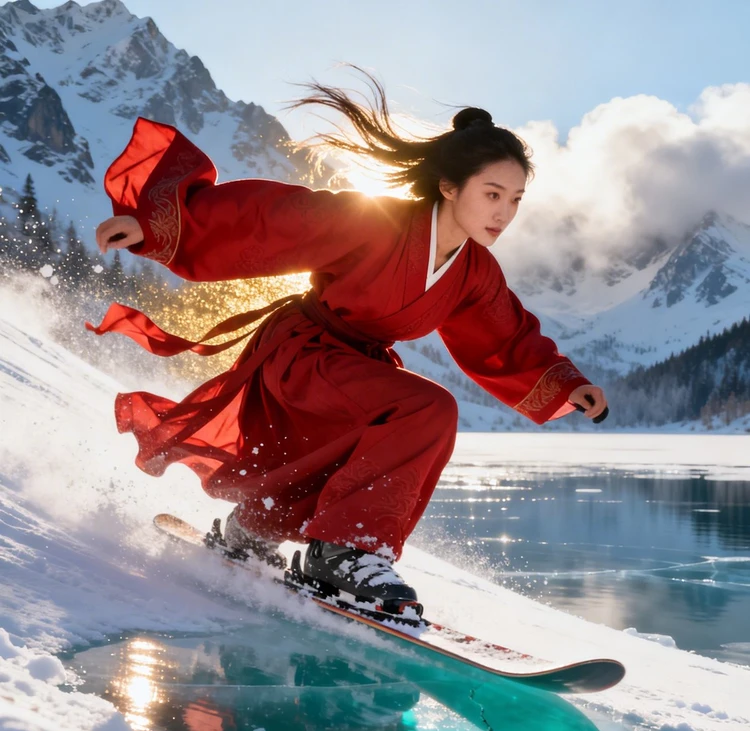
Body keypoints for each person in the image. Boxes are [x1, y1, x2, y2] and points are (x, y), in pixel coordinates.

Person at [90, 72, 608, 612]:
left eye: (517, 199)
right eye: (493, 194)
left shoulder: (476, 272)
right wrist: (158, 227)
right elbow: (276, 221)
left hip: (353, 370)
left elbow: (506, 335)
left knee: (360, 443)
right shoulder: (377, 222)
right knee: (426, 408)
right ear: (450, 187)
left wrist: (566, 384)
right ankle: (342, 552)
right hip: (303, 356)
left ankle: (254, 526)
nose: (504, 212)